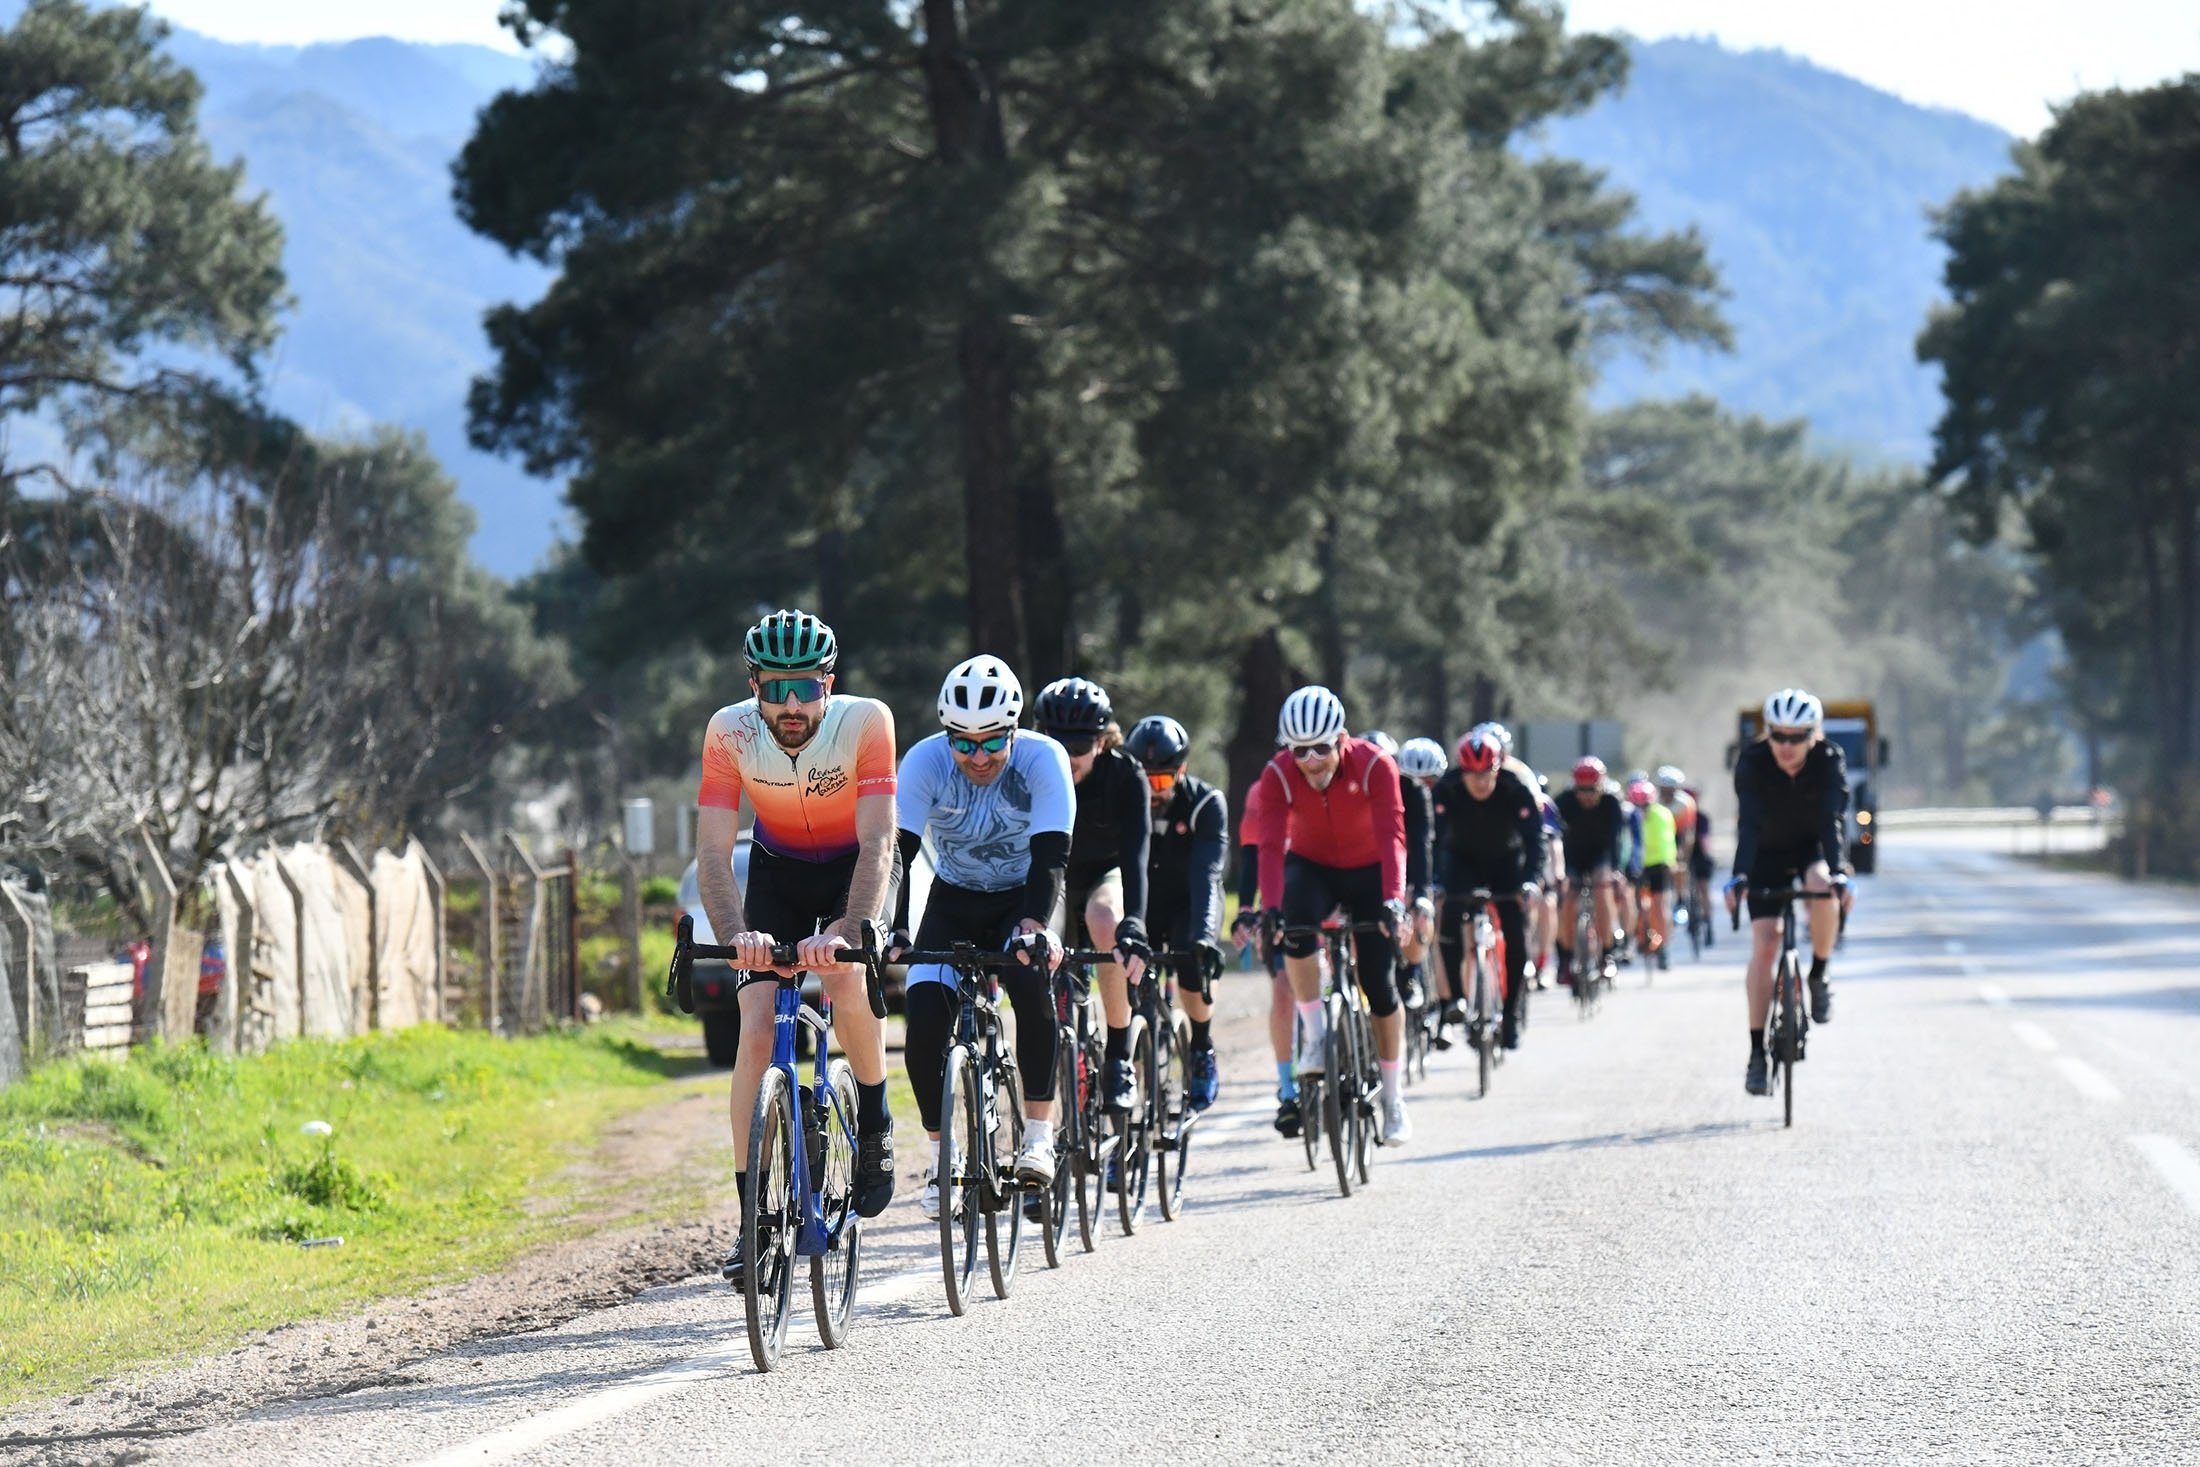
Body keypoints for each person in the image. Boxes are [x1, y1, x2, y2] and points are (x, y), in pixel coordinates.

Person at [694, 610, 901, 1287]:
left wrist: (845, 930)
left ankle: (872, 1117)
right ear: (753, 683)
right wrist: (734, 935)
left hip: (855, 866)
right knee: (755, 1029)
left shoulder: (866, 721)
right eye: (776, 687)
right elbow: (715, 854)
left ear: (829, 684)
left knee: (843, 982)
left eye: (806, 689)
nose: (790, 704)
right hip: (778, 869)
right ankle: (752, 1217)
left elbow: (878, 843)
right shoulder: (729, 731)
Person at [893, 656, 1073, 1217]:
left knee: (1031, 986)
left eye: (991, 743)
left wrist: (1035, 927)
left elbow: (1050, 859)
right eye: (962, 743)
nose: (977, 757)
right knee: (923, 1011)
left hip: (1025, 897)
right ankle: (940, 1155)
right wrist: (892, 926)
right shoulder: (923, 762)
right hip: (954, 897)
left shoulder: (1044, 759)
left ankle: (1039, 1136)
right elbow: (895, 854)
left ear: (1014, 731)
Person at [1253, 686, 1413, 1144]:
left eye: (1322, 747)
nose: (1312, 760)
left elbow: (1393, 837)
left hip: (1370, 872)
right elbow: (1268, 847)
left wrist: (1393, 899)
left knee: (1380, 985)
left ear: (1342, 738)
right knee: (1295, 927)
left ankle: (1393, 1098)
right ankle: (1317, 1033)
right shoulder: (1279, 776)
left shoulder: (1375, 764)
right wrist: (1269, 911)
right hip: (1314, 867)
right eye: (1299, 750)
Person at [1725, 688, 1854, 1096]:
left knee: (1822, 887)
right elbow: (1746, 824)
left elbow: (1833, 819)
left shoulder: (1829, 761)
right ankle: (1756, 1053)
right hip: (1764, 852)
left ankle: (1818, 973)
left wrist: (1838, 873)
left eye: (1796, 737)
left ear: (1814, 736)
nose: (1785, 746)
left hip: (1810, 850)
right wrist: (1740, 876)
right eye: (1777, 736)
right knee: (1766, 945)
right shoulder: (1752, 761)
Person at [1032, 678, 1152, 1114]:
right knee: (1039, 936)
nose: (1067, 758)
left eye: (1079, 746)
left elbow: (1138, 857)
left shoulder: (1126, 775)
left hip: (1105, 873)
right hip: (1054, 877)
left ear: (1102, 742)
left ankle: (1119, 1054)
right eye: (1056, 744)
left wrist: (1134, 923)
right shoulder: (1027, 770)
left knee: (1105, 919)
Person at [1125, 715, 1228, 1110]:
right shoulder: (1125, 802)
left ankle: (1201, 1048)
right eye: (1144, 778)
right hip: (1145, 905)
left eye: (1163, 781)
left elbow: (1207, 876)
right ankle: (1128, 1102)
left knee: (1190, 964)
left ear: (1182, 771)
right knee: (1131, 989)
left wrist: (1204, 938)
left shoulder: (1205, 804)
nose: (1153, 791)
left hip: (1190, 902)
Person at [1430, 730, 1544, 1049]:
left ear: (1498, 769)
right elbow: (1432, 839)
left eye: (1486, 774)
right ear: (1462, 771)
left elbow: (1534, 840)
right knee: (1449, 916)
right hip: (1461, 861)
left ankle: (1509, 1016)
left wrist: (1531, 879)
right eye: (1472, 775)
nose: (1480, 782)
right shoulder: (1447, 789)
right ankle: (1455, 999)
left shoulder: (1514, 789)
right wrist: (1434, 880)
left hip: (1505, 863)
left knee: (1515, 935)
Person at [1233, 754, 1302, 1136]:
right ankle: (1287, 1087)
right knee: (1281, 989)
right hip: (1283, 899)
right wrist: (1246, 909)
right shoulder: (1262, 792)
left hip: (1331, 890)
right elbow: (1250, 855)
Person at [1556, 756, 1624, 987]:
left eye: (1592, 790)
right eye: (1581, 790)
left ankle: (1606, 954)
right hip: (1572, 856)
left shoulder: (1611, 804)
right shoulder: (1564, 802)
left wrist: (1614, 871)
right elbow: (1553, 837)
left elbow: (1616, 841)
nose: (1586, 796)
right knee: (1567, 899)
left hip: (1600, 855)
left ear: (1601, 786)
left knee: (1602, 891)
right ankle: (1565, 958)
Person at [1631, 778, 1677, 970]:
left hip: (1658, 863)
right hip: (1636, 865)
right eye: (1637, 806)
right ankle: (1639, 937)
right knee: (1637, 905)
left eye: (1645, 805)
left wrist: (1668, 862)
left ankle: (1664, 948)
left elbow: (1667, 842)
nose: (1642, 810)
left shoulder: (1662, 815)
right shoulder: (1629, 815)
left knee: (1659, 905)